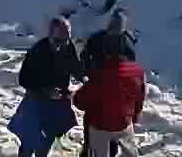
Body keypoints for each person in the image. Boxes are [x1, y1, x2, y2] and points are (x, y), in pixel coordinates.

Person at [8, 16, 81, 157]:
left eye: (66, 39)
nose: (62, 44)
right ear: (50, 36)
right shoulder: (38, 51)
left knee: (48, 140)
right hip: (36, 102)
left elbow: (75, 67)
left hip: (57, 103)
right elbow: (24, 79)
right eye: (58, 40)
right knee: (29, 141)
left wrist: (83, 77)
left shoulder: (69, 47)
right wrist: (46, 91)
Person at [74, 17, 146, 157]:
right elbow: (139, 94)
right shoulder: (136, 68)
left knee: (95, 144)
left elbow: (80, 100)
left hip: (99, 121)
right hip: (122, 119)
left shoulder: (99, 42)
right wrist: (133, 115)